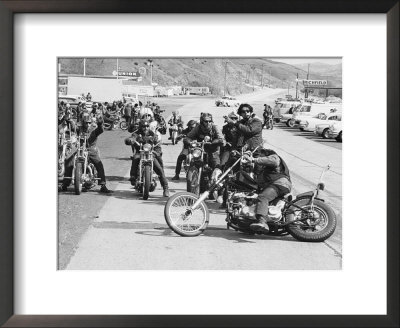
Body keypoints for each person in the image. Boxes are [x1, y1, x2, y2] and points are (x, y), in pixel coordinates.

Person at [242, 147, 292, 233]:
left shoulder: (274, 157)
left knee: (263, 197)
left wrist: (254, 159)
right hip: (275, 185)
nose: (258, 158)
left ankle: (262, 222)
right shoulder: (264, 170)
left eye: (260, 156)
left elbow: (273, 161)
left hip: (280, 184)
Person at [61, 112, 112, 193]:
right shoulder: (79, 128)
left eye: (89, 123)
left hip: (91, 149)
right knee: (68, 160)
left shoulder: (94, 129)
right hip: (79, 148)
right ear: (82, 123)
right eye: (86, 123)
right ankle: (65, 183)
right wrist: (68, 120)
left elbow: (100, 130)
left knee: (99, 164)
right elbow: (73, 127)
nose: (88, 124)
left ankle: (103, 185)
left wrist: (100, 123)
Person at [124, 119, 170, 197]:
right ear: (140, 127)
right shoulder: (136, 133)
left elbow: (156, 140)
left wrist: (156, 141)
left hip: (150, 154)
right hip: (140, 152)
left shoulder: (152, 133)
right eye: (143, 126)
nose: (145, 128)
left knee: (159, 169)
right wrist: (130, 140)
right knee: (135, 158)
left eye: (146, 126)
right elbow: (132, 138)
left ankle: (165, 188)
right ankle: (133, 177)